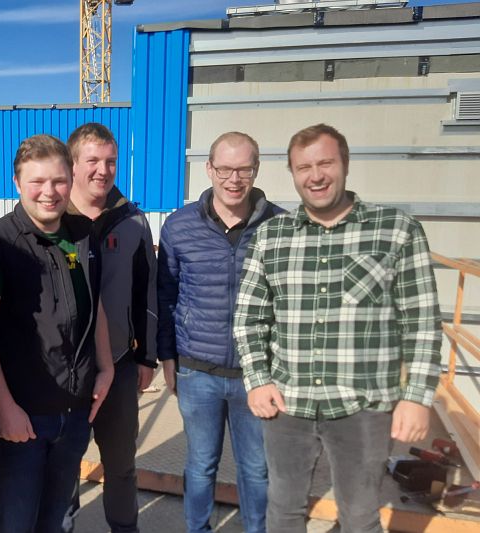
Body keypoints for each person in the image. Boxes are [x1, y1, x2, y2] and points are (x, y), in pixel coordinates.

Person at [234, 124, 442, 533]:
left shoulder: (395, 230)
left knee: (360, 516)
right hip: (287, 404)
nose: (315, 176)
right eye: (304, 167)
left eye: (325, 163)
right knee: (283, 509)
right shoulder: (272, 237)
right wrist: (257, 380)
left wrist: (417, 398)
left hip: (362, 407)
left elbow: (421, 322)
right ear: (293, 174)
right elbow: (249, 316)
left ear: (345, 164)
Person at [0, 134, 114, 533]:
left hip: (74, 413)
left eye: (59, 181)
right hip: (22, 420)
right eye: (37, 181)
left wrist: (106, 367)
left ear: (72, 179)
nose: (49, 192)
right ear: (16, 183)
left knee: (58, 520)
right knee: (15, 523)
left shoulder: (83, 234)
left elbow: (94, 302)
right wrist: (4, 407)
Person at [157, 132, 283, 533]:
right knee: (200, 464)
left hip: (258, 374)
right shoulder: (179, 226)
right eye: (225, 169)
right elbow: (166, 295)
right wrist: (168, 357)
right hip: (198, 371)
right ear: (209, 169)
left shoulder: (281, 226)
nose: (234, 179)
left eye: (243, 169)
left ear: (256, 169)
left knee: (257, 468)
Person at [62, 123, 157, 533]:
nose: (103, 170)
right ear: (73, 164)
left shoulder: (132, 221)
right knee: (63, 465)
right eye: (93, 160)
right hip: (64, 371)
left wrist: (147, 357)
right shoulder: (53, 217)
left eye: (111, 161)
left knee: (120, 465)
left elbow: (147, 292)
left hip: (118, 365)